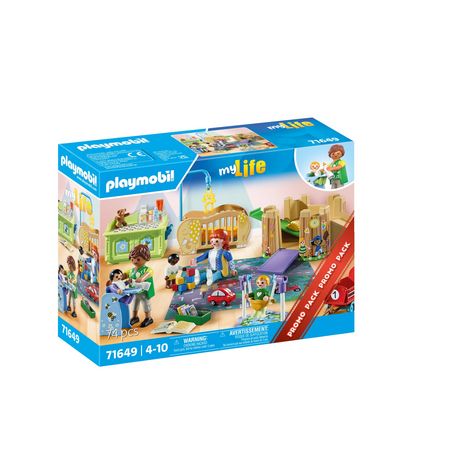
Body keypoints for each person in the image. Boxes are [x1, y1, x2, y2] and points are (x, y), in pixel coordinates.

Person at [125, 244, 155, 328]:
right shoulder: (132, 270)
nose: (135, 261)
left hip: (144, 292)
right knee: (134, 305)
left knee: (146, 304)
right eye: (132, 259)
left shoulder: (146, 269)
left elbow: (150, 272)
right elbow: (125, 274)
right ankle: (135, 317)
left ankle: (148, 318)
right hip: (134, 292)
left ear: (146, 258)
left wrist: (142, 278)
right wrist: (121, 276)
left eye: (138, 259)